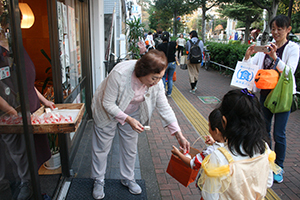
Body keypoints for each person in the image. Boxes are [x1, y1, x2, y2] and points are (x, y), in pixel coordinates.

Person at [90, 49, 190, 199]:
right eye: (154, 78)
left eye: (160, 78)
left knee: (130, 148)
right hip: (106, 111)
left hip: (132, 111)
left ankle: (128, 178)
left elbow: (164, 107)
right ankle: (98, 180)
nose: (157, 82)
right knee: (102, 147)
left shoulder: (156, 82)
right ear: (143, 71)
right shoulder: (120, 74)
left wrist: (179, 134)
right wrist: (127, 119)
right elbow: (107, 103)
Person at [243, 15, 299, 183]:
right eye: (273, 29)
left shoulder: (293, 48)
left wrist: (275, 57)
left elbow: (289, 72)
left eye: (279, 29)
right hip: (265, 96)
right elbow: (252, 66)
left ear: (288, 30)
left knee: (279, 134)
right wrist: (247, 56)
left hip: (283, 97)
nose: (275, 33)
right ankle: (267, 163)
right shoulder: (266, 48)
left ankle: (279, 167)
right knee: (263, 131)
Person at [0, 26, 55, 199]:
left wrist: (45, 101)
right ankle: (27, 187)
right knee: (20, 155)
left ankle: (36, 188)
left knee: (35, 153)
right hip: (11, 114)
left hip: (32, 110)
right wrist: (9, 110)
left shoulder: (16, 47)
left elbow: (28, 82)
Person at [197, 89, 279, 199]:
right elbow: (268, 182)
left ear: (224, 121)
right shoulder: (264, 147)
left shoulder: (219, 157)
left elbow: (209, 196)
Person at [156, 31, 177, 97]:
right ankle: (169, 93)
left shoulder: (160, 46)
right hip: (172, 62)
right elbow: (175, 51)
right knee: (170, 78)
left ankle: (163, 91)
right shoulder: (173, 44)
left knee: (163, 77)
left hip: (164, 63)